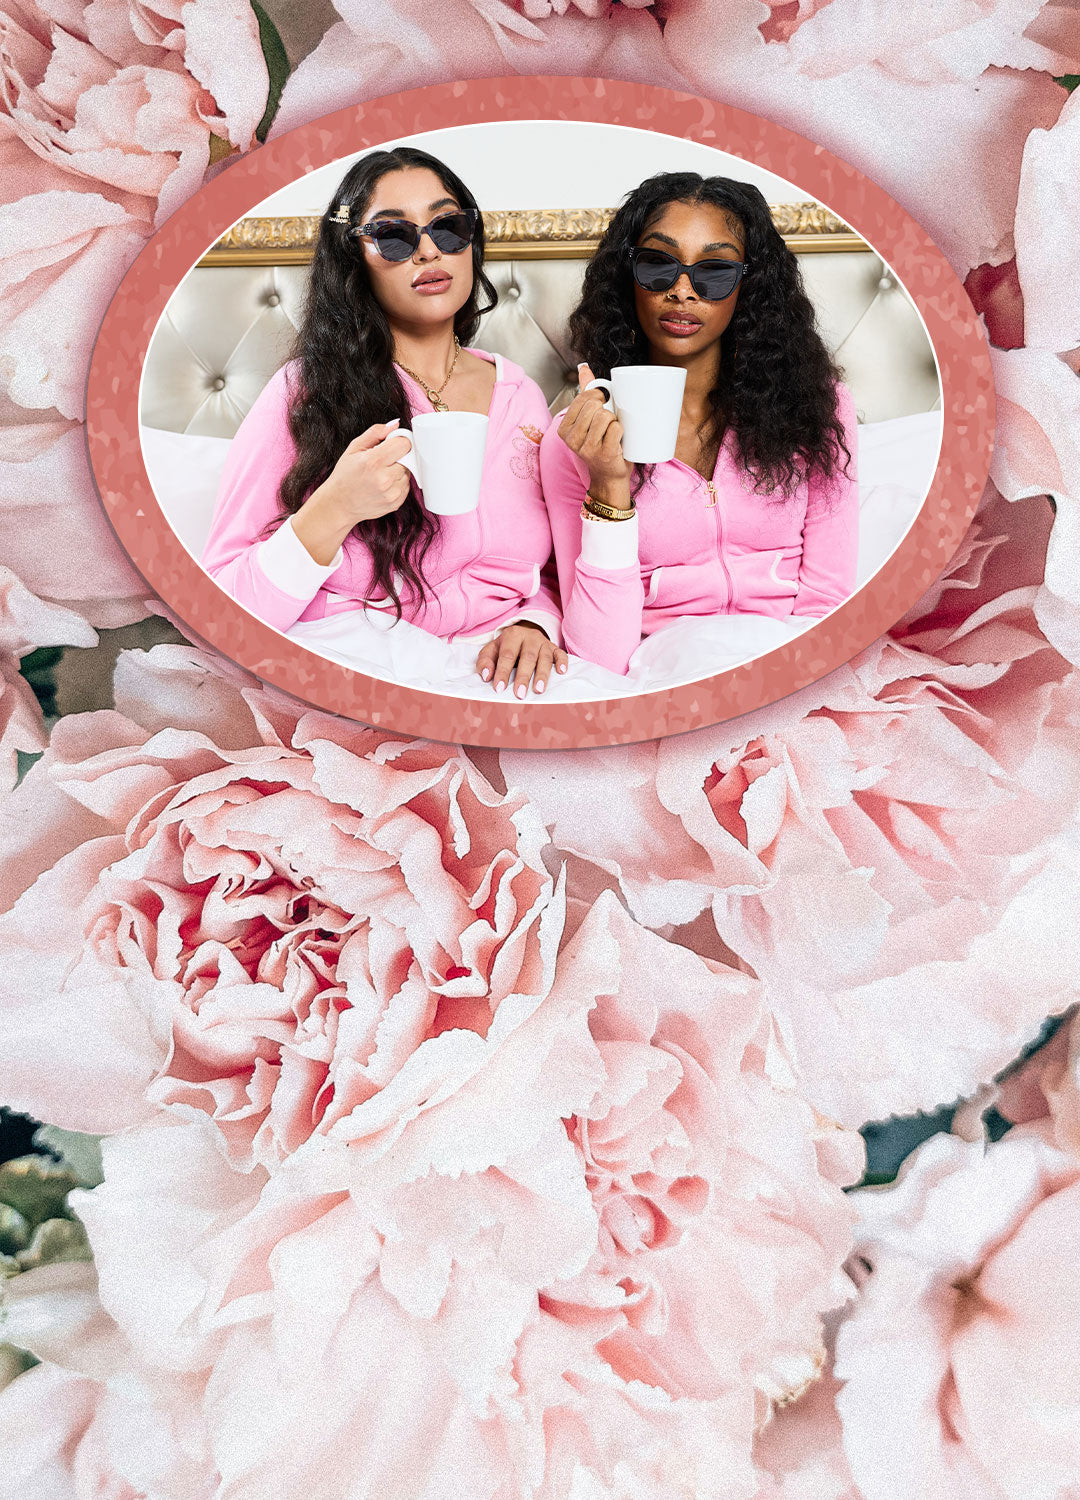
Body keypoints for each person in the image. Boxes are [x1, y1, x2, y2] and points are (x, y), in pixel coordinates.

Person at [202, 146, 568, 698]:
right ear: (355, 258)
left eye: (448, 226)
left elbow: (545, 572)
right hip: (352, 668)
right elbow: (223, 612)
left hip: (490, 674)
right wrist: (334, 507)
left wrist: (534, 622)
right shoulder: (305, 393)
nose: (427, 251)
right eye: (394, 236)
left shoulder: (521, 396)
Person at [540, 172, 858, 676]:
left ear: (746, 286)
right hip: (662, 672)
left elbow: (828, 599)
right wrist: (609, 486)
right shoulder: (576, 437)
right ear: (630, 277)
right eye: (658, 265)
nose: (683, 291)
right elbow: (599, 658)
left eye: (714, 271)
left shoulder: (815, 407)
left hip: (789, 659)